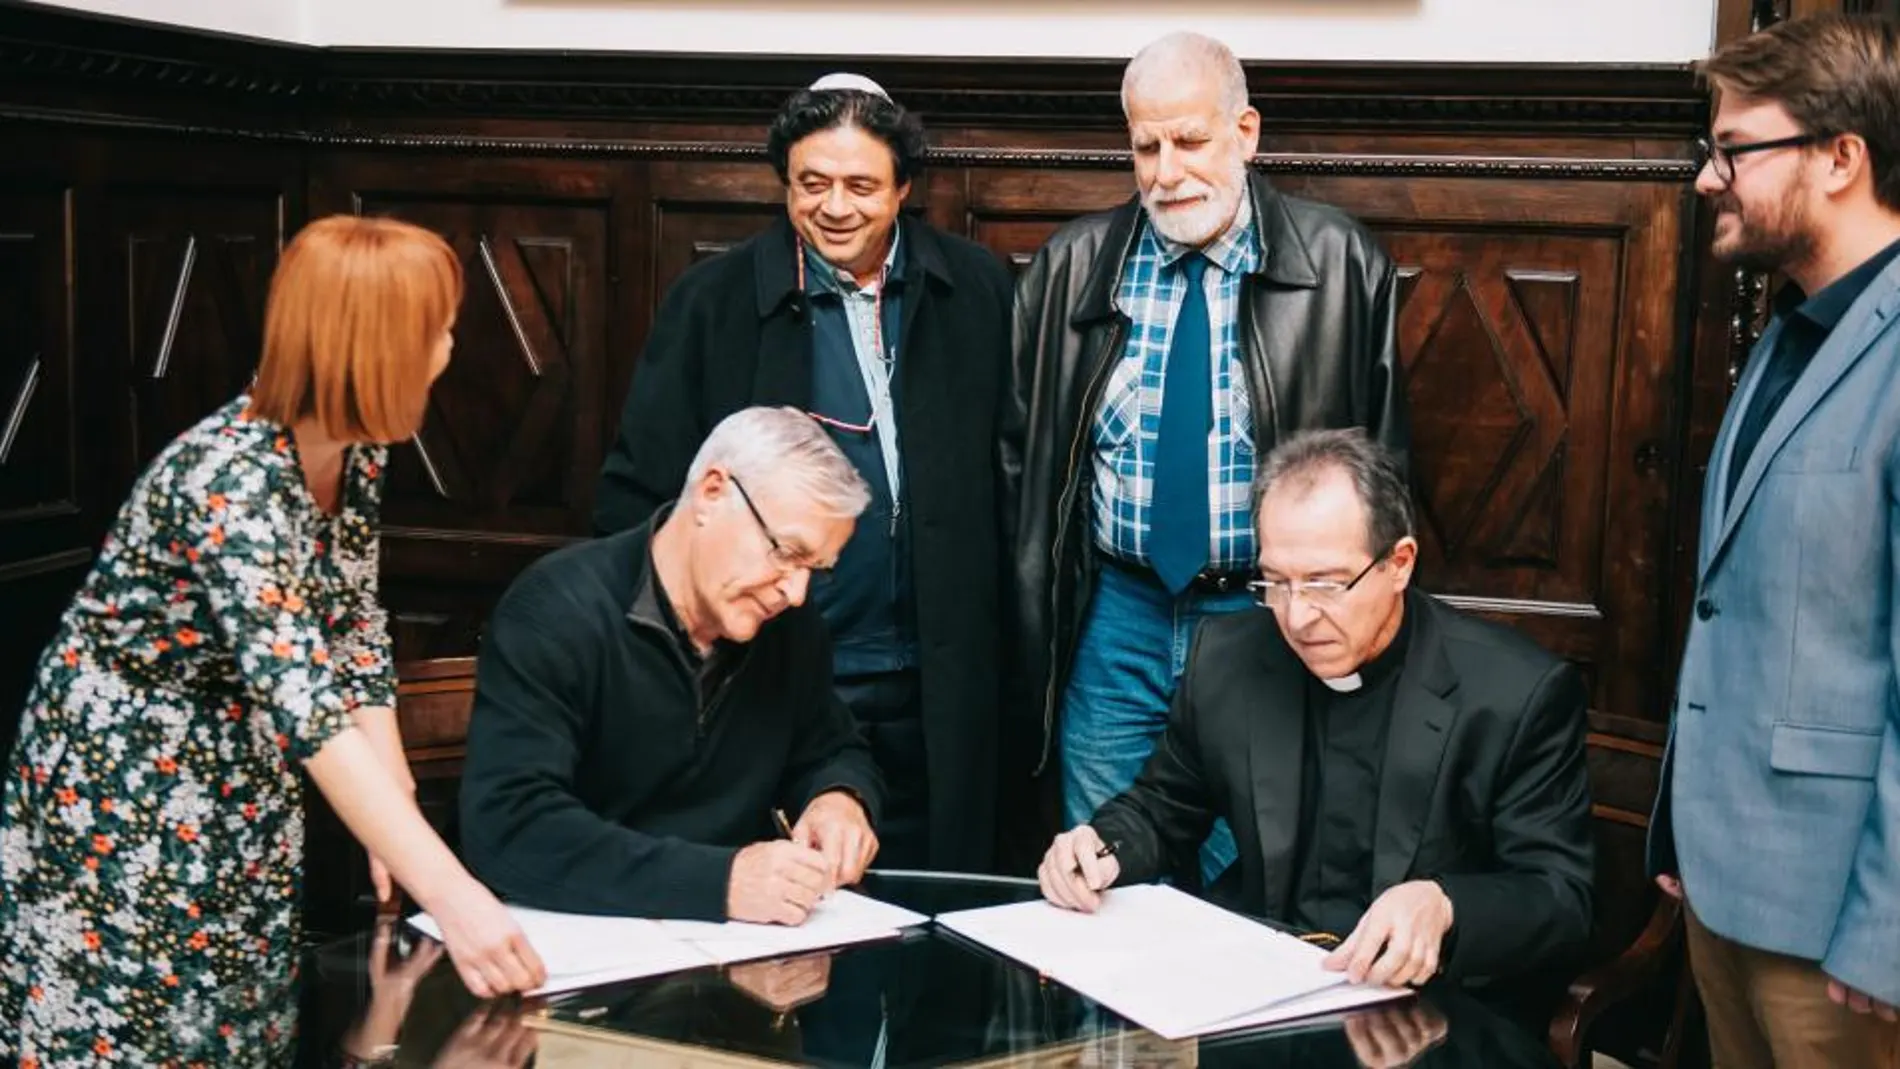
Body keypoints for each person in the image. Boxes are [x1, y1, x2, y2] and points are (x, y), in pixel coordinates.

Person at [0, 215, 544, 1067]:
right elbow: (310, 713)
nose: (450, 346)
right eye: (437, 328)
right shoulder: (228, 482)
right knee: (138, 1029)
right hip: (131, 782)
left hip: (245, 770)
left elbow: (354, 628)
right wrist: (455, 892)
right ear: (379, 348)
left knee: (241, 1022)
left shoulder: (359, 448)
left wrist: (391, 807)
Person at [1002, 31, 1409, 883]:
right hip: (1115, 616)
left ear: (1247, 133)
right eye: (1145, 146)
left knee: (1248, 879)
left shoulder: (1339, 264)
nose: (1165, 170)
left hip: (1265, 619)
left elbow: (1384, 472)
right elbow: (1022, 470)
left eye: (1190, 140)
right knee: (1099, 877)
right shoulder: (1071, 268)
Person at [593, 74, 1013, 875]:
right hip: (779, 671)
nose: (835, 206)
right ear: (784, 185)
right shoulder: (713, 300)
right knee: (792, 920)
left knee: (941, 906)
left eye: (862, 186)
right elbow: (638, 492)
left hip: (943, 678)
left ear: (904, 190)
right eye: (812, 184)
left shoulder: (977, 289)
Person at [1038, 430, 1592, 1008]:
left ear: (1399, 563)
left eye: (1326, 584)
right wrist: (1100, 847)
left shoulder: (1515, 692)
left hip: (1431, 1011)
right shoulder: (1229, 658)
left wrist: (1446, 904)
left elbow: (1561, 900)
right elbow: (1162, 808)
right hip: (1260, 987)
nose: (1298, 617)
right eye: (1275, 582)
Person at [1650, 14, 1900, 1065]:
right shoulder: (1787, 334)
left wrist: (1887, 933)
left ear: (1841, 157)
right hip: (1724, 884)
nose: (1710, 179)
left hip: (1839, 932)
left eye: (1735, 150)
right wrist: (1676, 821)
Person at [462, 406, 885, 923]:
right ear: (712, 493)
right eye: (785, 552)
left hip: (729, 967)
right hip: (564, 957)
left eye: (815, 570)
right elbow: (510, 827)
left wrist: (839, 798)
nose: (796, 593)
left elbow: (831, 745)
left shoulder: (788, 629)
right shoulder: (554, 611)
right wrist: (721, 882)